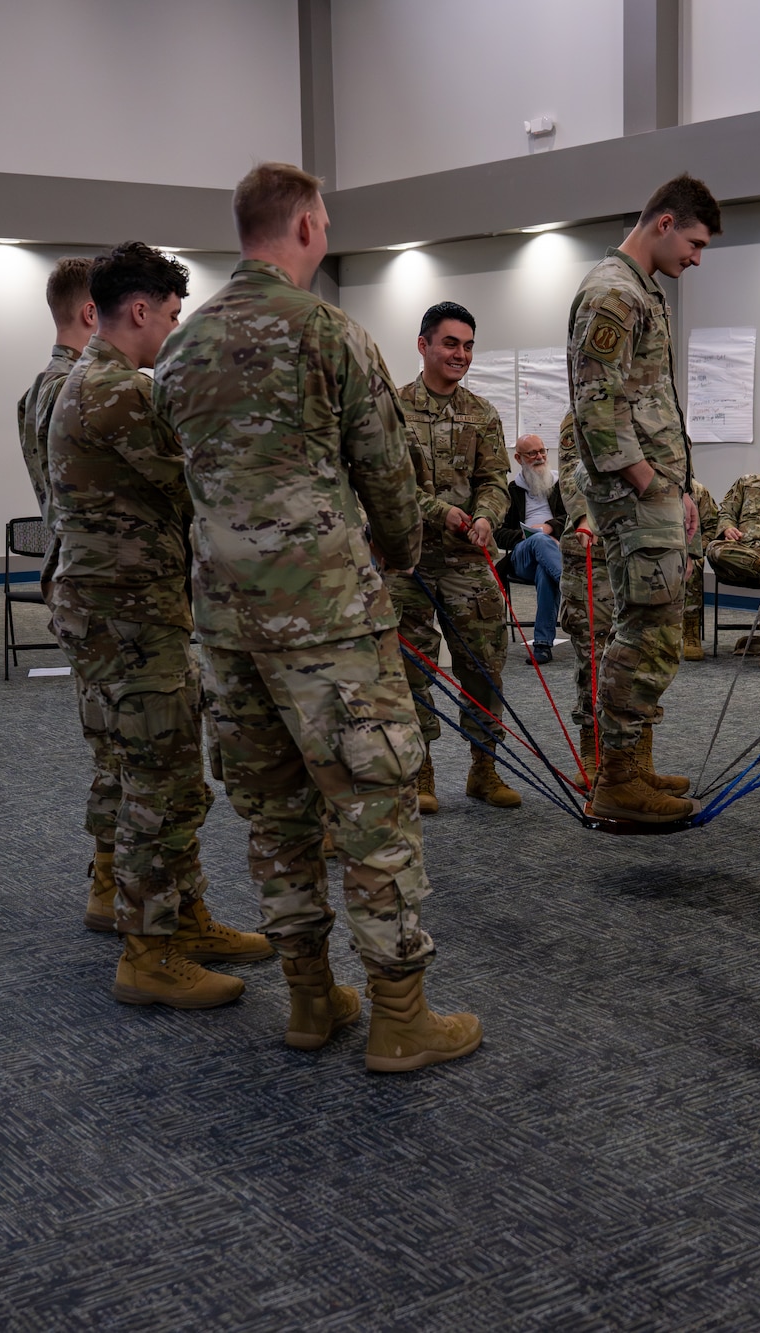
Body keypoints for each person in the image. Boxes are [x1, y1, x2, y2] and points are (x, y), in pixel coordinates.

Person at [155, 161, 480, 1072]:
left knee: (276, 818)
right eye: (326, 222)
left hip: (225, 623)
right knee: (374, 813)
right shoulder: (327, 331)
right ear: (301, 227)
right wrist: (401, 555)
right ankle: (400, 1017)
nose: (328, 234)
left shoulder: (179, 349)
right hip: (330, 619)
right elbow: (387, 473)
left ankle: (308, 999)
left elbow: (185, 474)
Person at [46, 240, 270, 1010]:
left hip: (122, 609)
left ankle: (182, 916)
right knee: (161, 780)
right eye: (173, 316)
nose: (176, 329)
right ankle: (148, 952)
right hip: (131, 616)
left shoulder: (93, 382)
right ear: (139, 311)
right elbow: (199, 482)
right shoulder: (117, 394)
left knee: (157, 771)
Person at [566, 173, 721, 823]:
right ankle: (618, 778)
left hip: (651, 491)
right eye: (694, 241)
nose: (696, 256)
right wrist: (651, 485)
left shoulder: (640, 291)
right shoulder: (611, 294)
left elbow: (647, 405)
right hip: (632, 495)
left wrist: (677, 488)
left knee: (650, 623)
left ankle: (635, 760)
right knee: (651, 633)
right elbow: (598, 413)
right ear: (663, 224)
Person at [16, 257, 123, 928]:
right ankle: (111, 884)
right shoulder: (82, 390)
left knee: (111, 736)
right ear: (92, 314)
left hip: (76, 579)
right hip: (107, 586)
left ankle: (110, 879)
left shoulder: (37, 388)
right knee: (123, 742)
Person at [388, 302, 521, 812]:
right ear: (423, 345)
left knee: (484, 666)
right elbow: (383, 484)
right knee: (407, 670)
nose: (460, 354)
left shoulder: (481, 413)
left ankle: (484, 770)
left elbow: (494, 481)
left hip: (469, 562)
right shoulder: (392, 408)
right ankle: (419, 774)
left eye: (467, 345)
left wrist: (487, 515)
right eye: (450, 343)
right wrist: (437, 510)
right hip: (409, 562)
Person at [557, 409, 612, 784]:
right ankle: (592, 751)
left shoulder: (657, 412)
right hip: (592, 546)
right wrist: (581, 517)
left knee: (640, 655)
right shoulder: (581, 414)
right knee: (593, 654)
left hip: (644, 548)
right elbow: (570, 471)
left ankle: (631, 758)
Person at [703, 473, 760, 673]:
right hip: (739, 555)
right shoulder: (748, 482)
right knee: (714, 548)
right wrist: (727, 529)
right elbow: (726, 512)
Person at [493, 432, 564, 663]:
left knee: (546, 573)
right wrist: (529, 536)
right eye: (532, 453)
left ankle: (542, 644)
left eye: (542, 450)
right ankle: (569, 587)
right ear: (518, 458)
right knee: (539, 541)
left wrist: (549, 527)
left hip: (554, 554)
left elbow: (574, 518)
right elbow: (498, 533)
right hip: (522, 558)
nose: (539, 456)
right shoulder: (511, 491)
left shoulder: (561, 485)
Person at [679, 476, 721, 663]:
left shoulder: (697, 491)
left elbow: (712, 528)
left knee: (695, 564)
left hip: (689, 548)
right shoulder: (650, 487)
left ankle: (691, 631)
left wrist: (693, 550)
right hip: (659, 549)